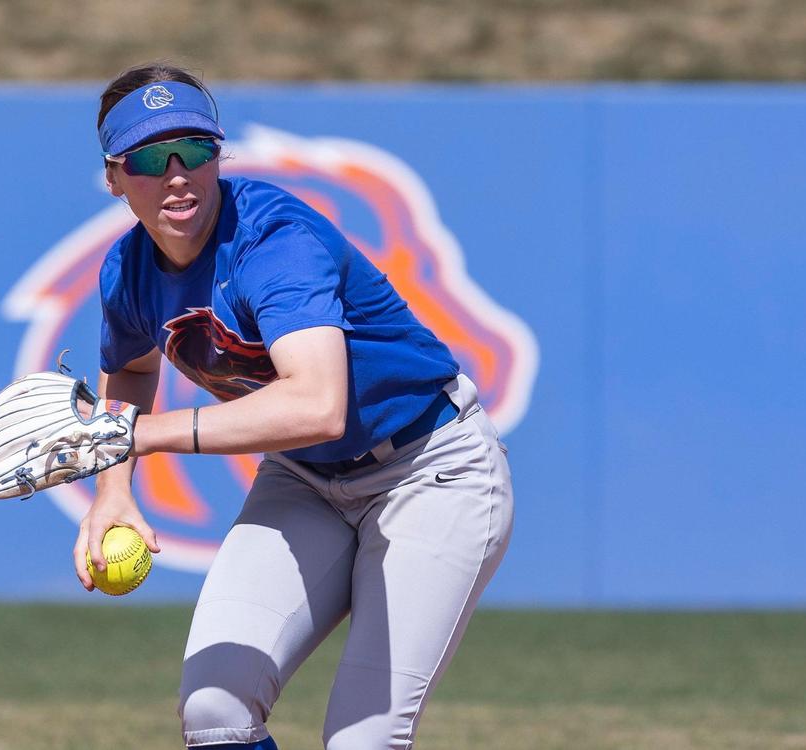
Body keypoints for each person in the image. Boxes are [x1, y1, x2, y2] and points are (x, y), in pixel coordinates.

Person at [73, 62, 514, 750]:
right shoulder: (127, 271)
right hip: (305, 481)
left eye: (196, 150)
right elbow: (129, 369)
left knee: (360, 741)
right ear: (113, 176)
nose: (177, 173)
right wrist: (112, 491)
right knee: (214, 710)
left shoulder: (274, 243)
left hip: (432, 471)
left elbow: (317, 404)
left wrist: (143, 436)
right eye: (150, 158)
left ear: (220, 156)